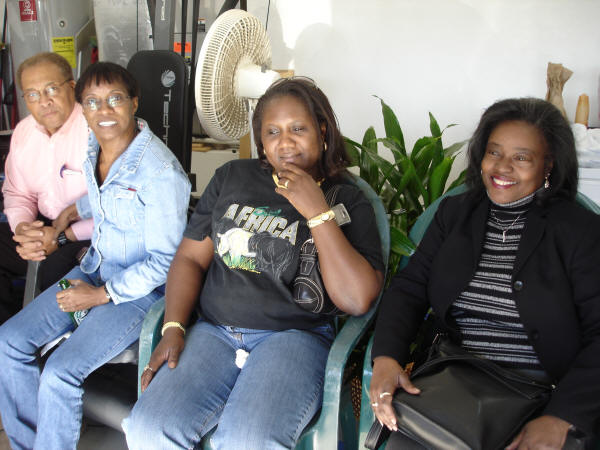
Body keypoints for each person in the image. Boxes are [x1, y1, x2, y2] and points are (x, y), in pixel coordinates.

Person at [122, 77, 385, 449]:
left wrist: (317, 211)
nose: (285, 142)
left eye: (298, 129)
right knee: (148, 427)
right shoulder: (232, 177)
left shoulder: (347, 199)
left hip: (294, 339)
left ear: (322, 131)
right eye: (273, 132)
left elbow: (357, 300)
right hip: (213, 333)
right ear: (261, 141)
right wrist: (174, 326)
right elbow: (190, 258)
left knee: (248, 440)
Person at [369, 98, 600, 449]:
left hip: (543, 397)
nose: (502, 167)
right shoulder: (455, 214)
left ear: (548, 164)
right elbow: (409, 289)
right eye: (494, 152)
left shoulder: (580, 231)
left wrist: (561, 416)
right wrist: (386, 357)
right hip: (452, 385)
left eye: (522, 158)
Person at [0, 62, 191, 450]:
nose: (104, 111)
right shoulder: (95, 147)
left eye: (114, 99)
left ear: (133, 103)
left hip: (138, 294)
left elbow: (166, 263)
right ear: (82, 108)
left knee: (60, 373)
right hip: (95, 270)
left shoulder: (161, 173)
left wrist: (100, 296)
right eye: (92, 102)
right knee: (10, 341)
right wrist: (75, 210)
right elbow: (108, 194)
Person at [0, 52, 92, 324]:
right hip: (43, 224)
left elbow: (116, 204)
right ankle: (7, 335)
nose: (44, 101)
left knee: (54, 272)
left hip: (89, 232)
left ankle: (45, 339)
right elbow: (18, 193)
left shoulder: (95, 128)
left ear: (72, 87)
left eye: (51, 89)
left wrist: (61, 237)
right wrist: (24, 230)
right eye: (32, 94)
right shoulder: (24, 132)